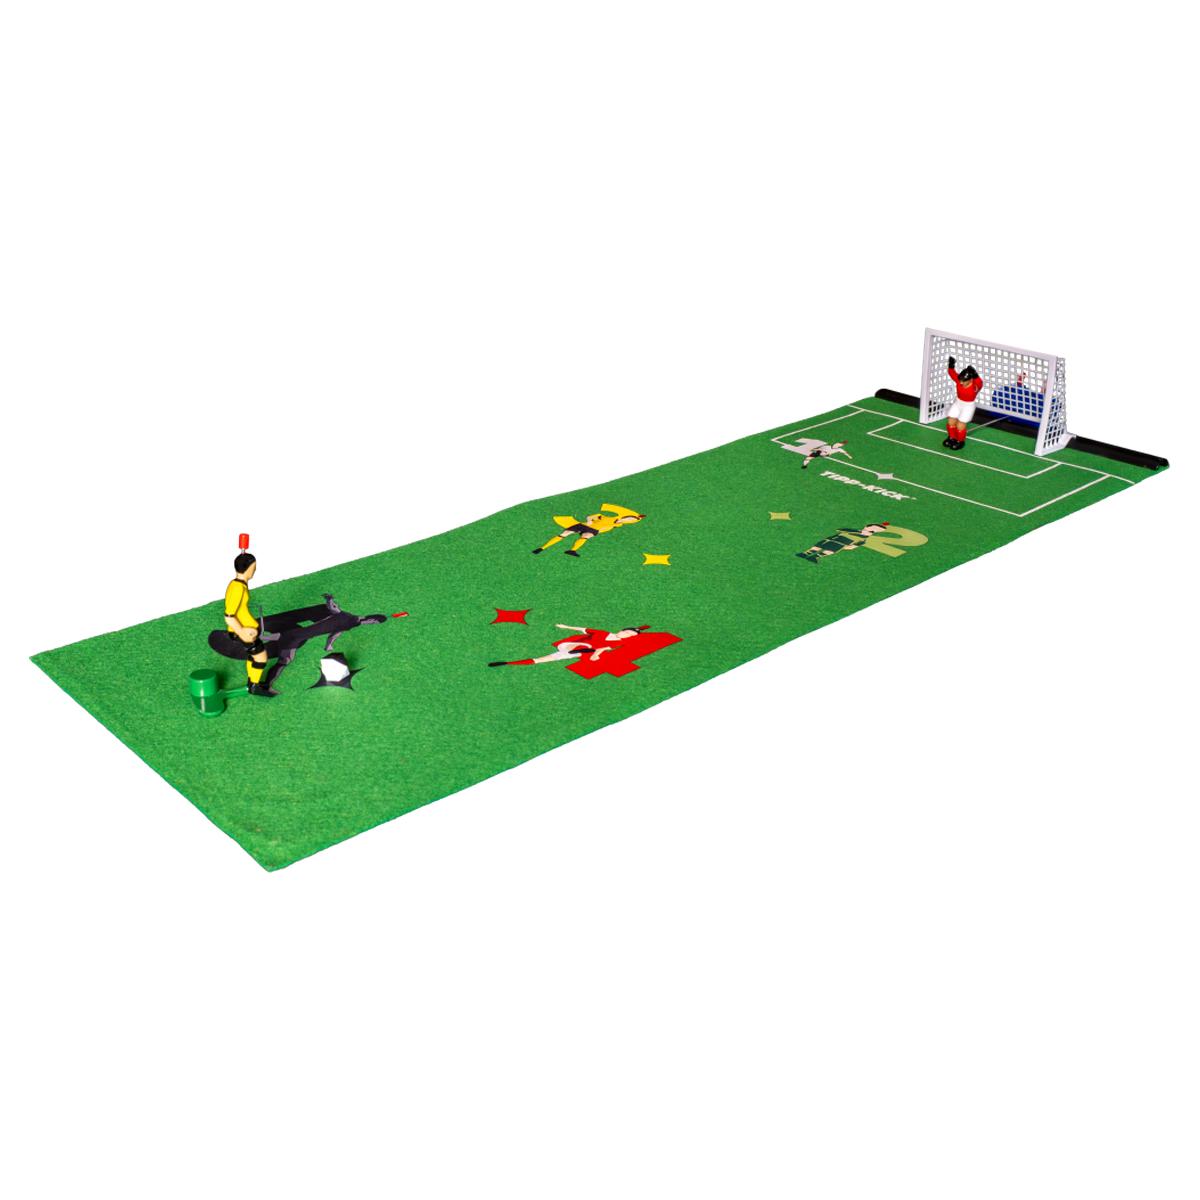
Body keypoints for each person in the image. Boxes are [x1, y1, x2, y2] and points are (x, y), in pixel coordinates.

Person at [224, 552, 274, 697]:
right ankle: (254, 686)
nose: (255, 570)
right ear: (248, 568)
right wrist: (242, 631)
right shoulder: (238, 588)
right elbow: (229, 616)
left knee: (253, 656)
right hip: (242, 632)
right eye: (254, 567)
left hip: (245, 630)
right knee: (261, 658)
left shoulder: (238, 584)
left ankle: (253, 683)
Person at [488, 625, 647, 666]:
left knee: (541, 660)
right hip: (573, 645)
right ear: (622, 630)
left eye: (630, 636)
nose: (627, 636)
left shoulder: (617, 643)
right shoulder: (602, 632)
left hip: (576, 652)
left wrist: (595, 655)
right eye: (627, 633)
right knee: (583, 648)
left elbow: (601, 648)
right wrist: (565, 627)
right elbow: (583, 629)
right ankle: (583, 650)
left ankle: (507, 663)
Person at [532, 503, 645, 556]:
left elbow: (607, 527)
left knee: (586, 537)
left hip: (593, 530)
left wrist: (599, 530)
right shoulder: (608, 517)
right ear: (624, 517)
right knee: (565, 533)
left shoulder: (619, 525)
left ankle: (572, 550)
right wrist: (590, 520)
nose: (628, 520)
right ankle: (542, 548)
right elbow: (591, 517)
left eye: (630, 520)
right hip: (585, 525)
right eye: (629, 518)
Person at [797, 523, 889, 564]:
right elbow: (840, 530)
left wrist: (846, 546)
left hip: (841, 543)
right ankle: (806, 553)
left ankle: (814, 557)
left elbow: (853, 546)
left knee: (829, 550)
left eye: (876, 530)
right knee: (820, 546)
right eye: (873, 528)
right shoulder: (853, 531)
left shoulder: (863, 539)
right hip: (834, 539)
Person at [945, 356, 983, 451]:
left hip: (968, 406)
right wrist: (951, 365)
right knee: (951, 420)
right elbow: (952, 374)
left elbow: (980, 383)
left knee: (960, 425)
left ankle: (959, 441)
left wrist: (975, 374)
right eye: (961, 380)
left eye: (963, 381)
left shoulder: (975, 386)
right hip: (958, 403)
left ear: (970, 379)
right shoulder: (959, 381)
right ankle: (951, 437)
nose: (961, 382)